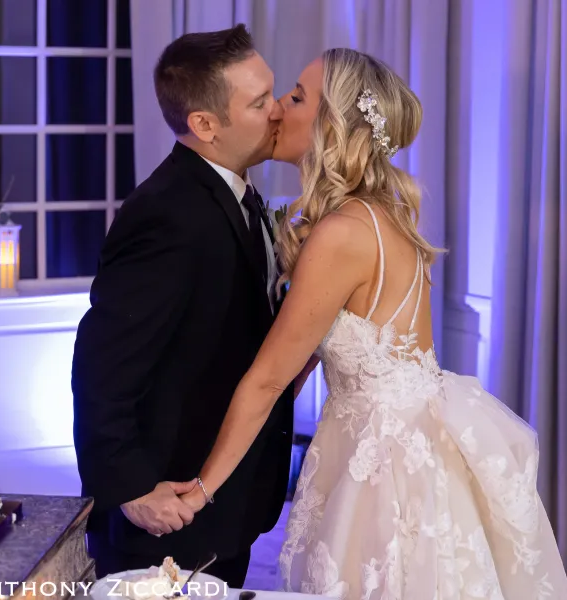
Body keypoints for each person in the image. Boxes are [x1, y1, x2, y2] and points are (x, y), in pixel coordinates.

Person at [169, 47, 567, 598]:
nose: (280, 108)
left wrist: (200, 490)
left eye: (298, 97)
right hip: (393, 443)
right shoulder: (379, 214)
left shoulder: (343, 233)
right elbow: (304, 362)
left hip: (384, 472)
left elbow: (269, 379)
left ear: (333, 124)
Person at [71, 26, 316, 587]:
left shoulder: (240, 193)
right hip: (168, 506)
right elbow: (103, 361)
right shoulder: (167, 213)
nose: (278, 110)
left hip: (224, 504)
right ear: (205, 125)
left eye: (274, 92)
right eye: (259, 103)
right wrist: (130, 488)